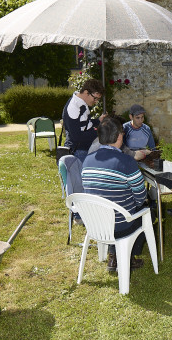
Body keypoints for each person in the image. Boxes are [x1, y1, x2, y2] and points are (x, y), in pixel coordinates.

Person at [81, 117, 148, 271]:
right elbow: (141, 196)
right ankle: (129, 257)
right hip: (119, 226)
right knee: (147, 212)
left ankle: (113, 256)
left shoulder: (87, 160)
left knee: (114, 208)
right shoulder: (126, 161)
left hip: (95, 223)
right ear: (119, 136)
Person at [62, 79, 106, 163]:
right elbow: (76, 137)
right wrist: (100, 133)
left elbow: (84, 124)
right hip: (79, 151)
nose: (96, 102)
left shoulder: (82, 103)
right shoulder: (74, 107)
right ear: (86, 92)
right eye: (95, 98)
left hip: (86, 147)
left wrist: (98, 121)